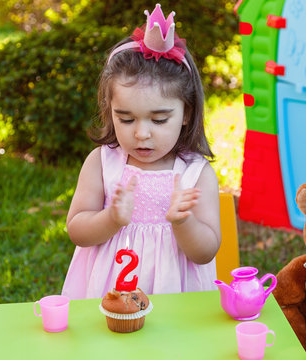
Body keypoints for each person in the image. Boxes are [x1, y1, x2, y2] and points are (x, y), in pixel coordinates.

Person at [62, 4, 221, 299]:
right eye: (125, 118)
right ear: (110, 112)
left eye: (159, 120)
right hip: (107, 295)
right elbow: (77, 230)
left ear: (186, 113)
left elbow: (206, 252)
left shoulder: (196, 174)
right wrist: (111, 219)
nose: (141, 133)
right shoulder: (102, 163)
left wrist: (183, 222)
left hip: (175, 297)